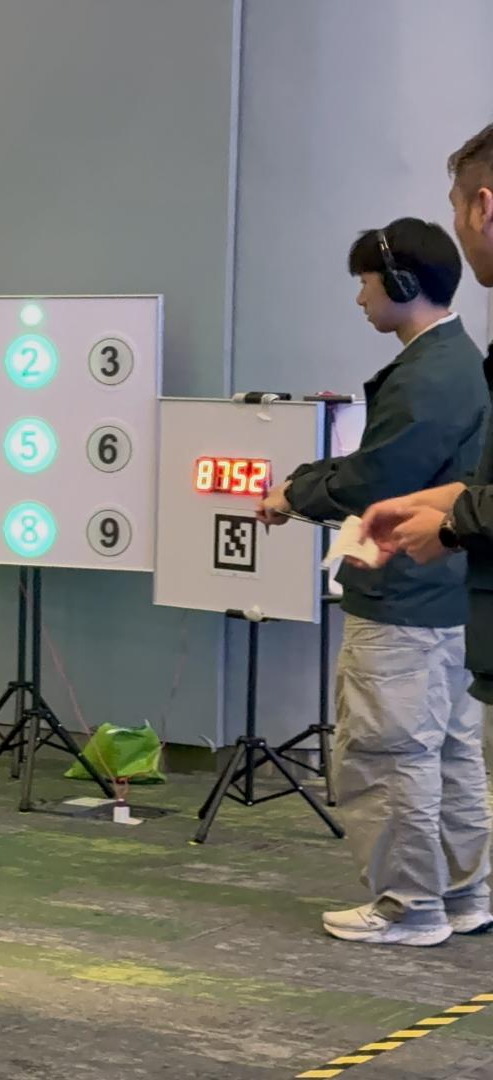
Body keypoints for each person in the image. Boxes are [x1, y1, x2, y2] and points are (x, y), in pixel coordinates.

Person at [259, 216, 488, 946]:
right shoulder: (460, 360)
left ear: (400, 283)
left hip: (403, 600)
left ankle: (408, 906)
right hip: (451, 594)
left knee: (388, 752)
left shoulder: (427, 375)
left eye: (365, 282)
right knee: (448, 751)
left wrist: (293, 492)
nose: (360, 298)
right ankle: (463, 895)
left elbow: (377, 477)